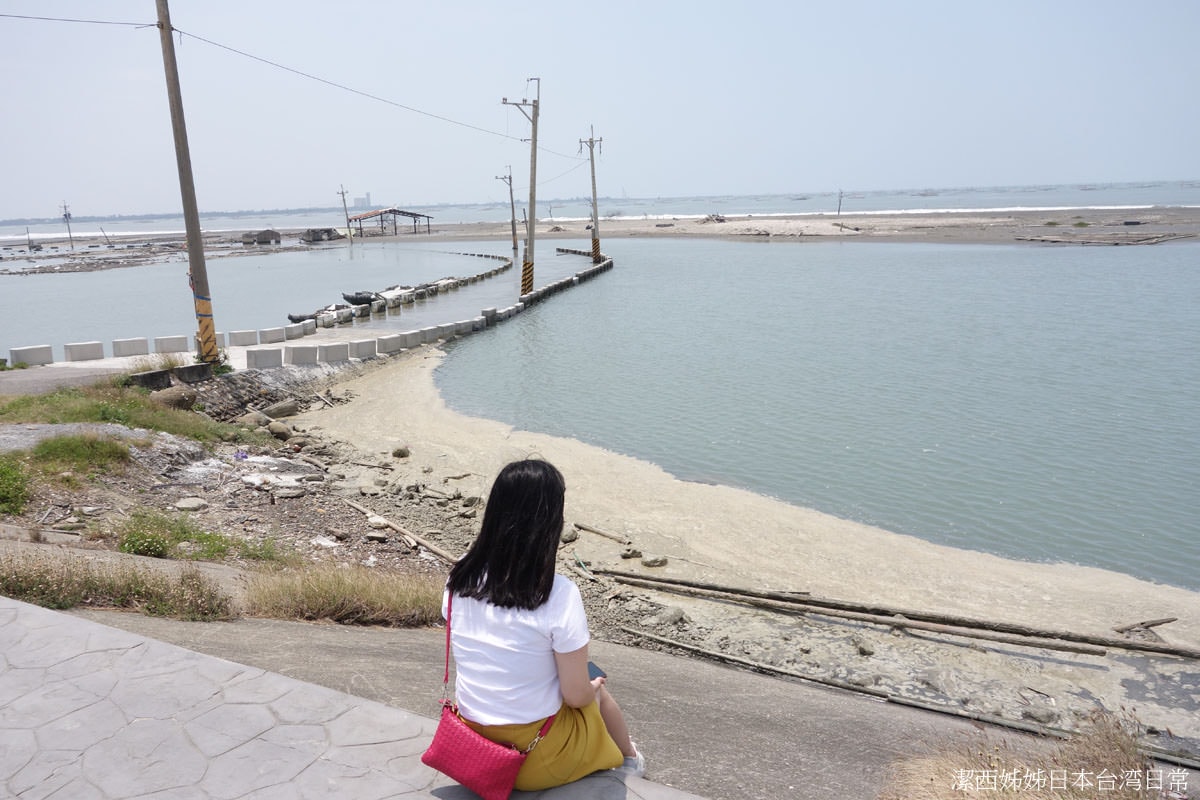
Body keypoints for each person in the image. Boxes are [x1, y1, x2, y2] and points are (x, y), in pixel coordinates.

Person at [443, 458, 645, 790]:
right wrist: (592, 687)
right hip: (531, 760)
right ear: (550, 521)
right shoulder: (558, 593)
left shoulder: (460, 577)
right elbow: (576, 697)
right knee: (594, 687)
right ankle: (630, 761)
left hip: (471, 744)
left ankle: (628, 759)